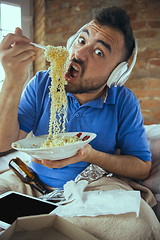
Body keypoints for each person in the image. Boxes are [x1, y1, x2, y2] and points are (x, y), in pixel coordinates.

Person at [0, 6, 160, 239]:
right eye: (81, 40)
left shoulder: (125, 102)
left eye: (98, 53)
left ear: (116, 74)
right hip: (31, 181)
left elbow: (142, 166)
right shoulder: (42, 83)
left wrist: (89, 155)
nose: (79, 53)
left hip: (94, 187)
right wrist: (13, 79)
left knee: (142, 226)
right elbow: (4, 142)